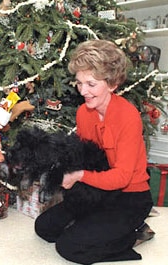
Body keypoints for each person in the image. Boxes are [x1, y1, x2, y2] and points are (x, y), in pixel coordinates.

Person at [34, 39, 155, 264]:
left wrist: (78, 176)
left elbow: (122, 177)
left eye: (91, 84)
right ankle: (97, 227)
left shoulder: (128, 117)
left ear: (112, 83)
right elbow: (88, 159)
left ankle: (134, 233)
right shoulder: (84, 113)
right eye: (79, 83)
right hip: (99, 190)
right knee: (44, 228)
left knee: (69, 247)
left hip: (130, 197)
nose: (83, 91)